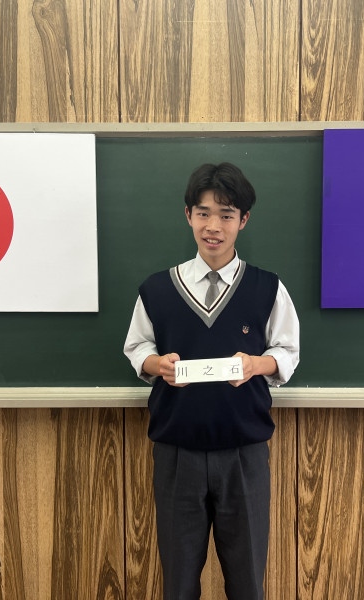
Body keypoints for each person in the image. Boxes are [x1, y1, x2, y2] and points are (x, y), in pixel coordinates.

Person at [123, 162, 300, 600]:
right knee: (179, 583)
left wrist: (257, 365)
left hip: (244, 453)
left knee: (247, 582)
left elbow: (287, 351)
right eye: (203, 213)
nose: (213, 226)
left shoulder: (268, 288)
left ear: (243, 220)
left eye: (226, 214)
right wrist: (157, 365)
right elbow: (137, 347)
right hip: (177, 452)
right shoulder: (157, 289)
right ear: (188, 216)